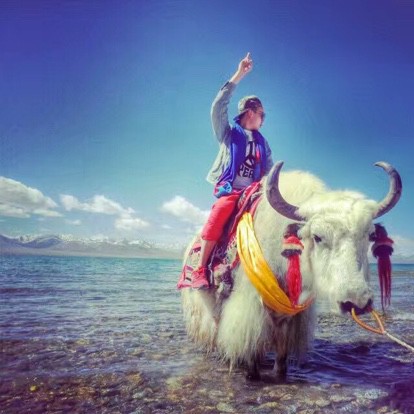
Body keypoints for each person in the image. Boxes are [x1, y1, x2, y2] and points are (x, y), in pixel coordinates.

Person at [191, 52, 274, 289]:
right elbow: (218, 106)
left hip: (253, 193)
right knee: (220, 211)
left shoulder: (264, 143)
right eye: (262, 115)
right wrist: (239, 74)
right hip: (231, 191)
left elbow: (268, 172)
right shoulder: (228, 133)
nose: (263, 120)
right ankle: (200, 270)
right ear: (251, 112)